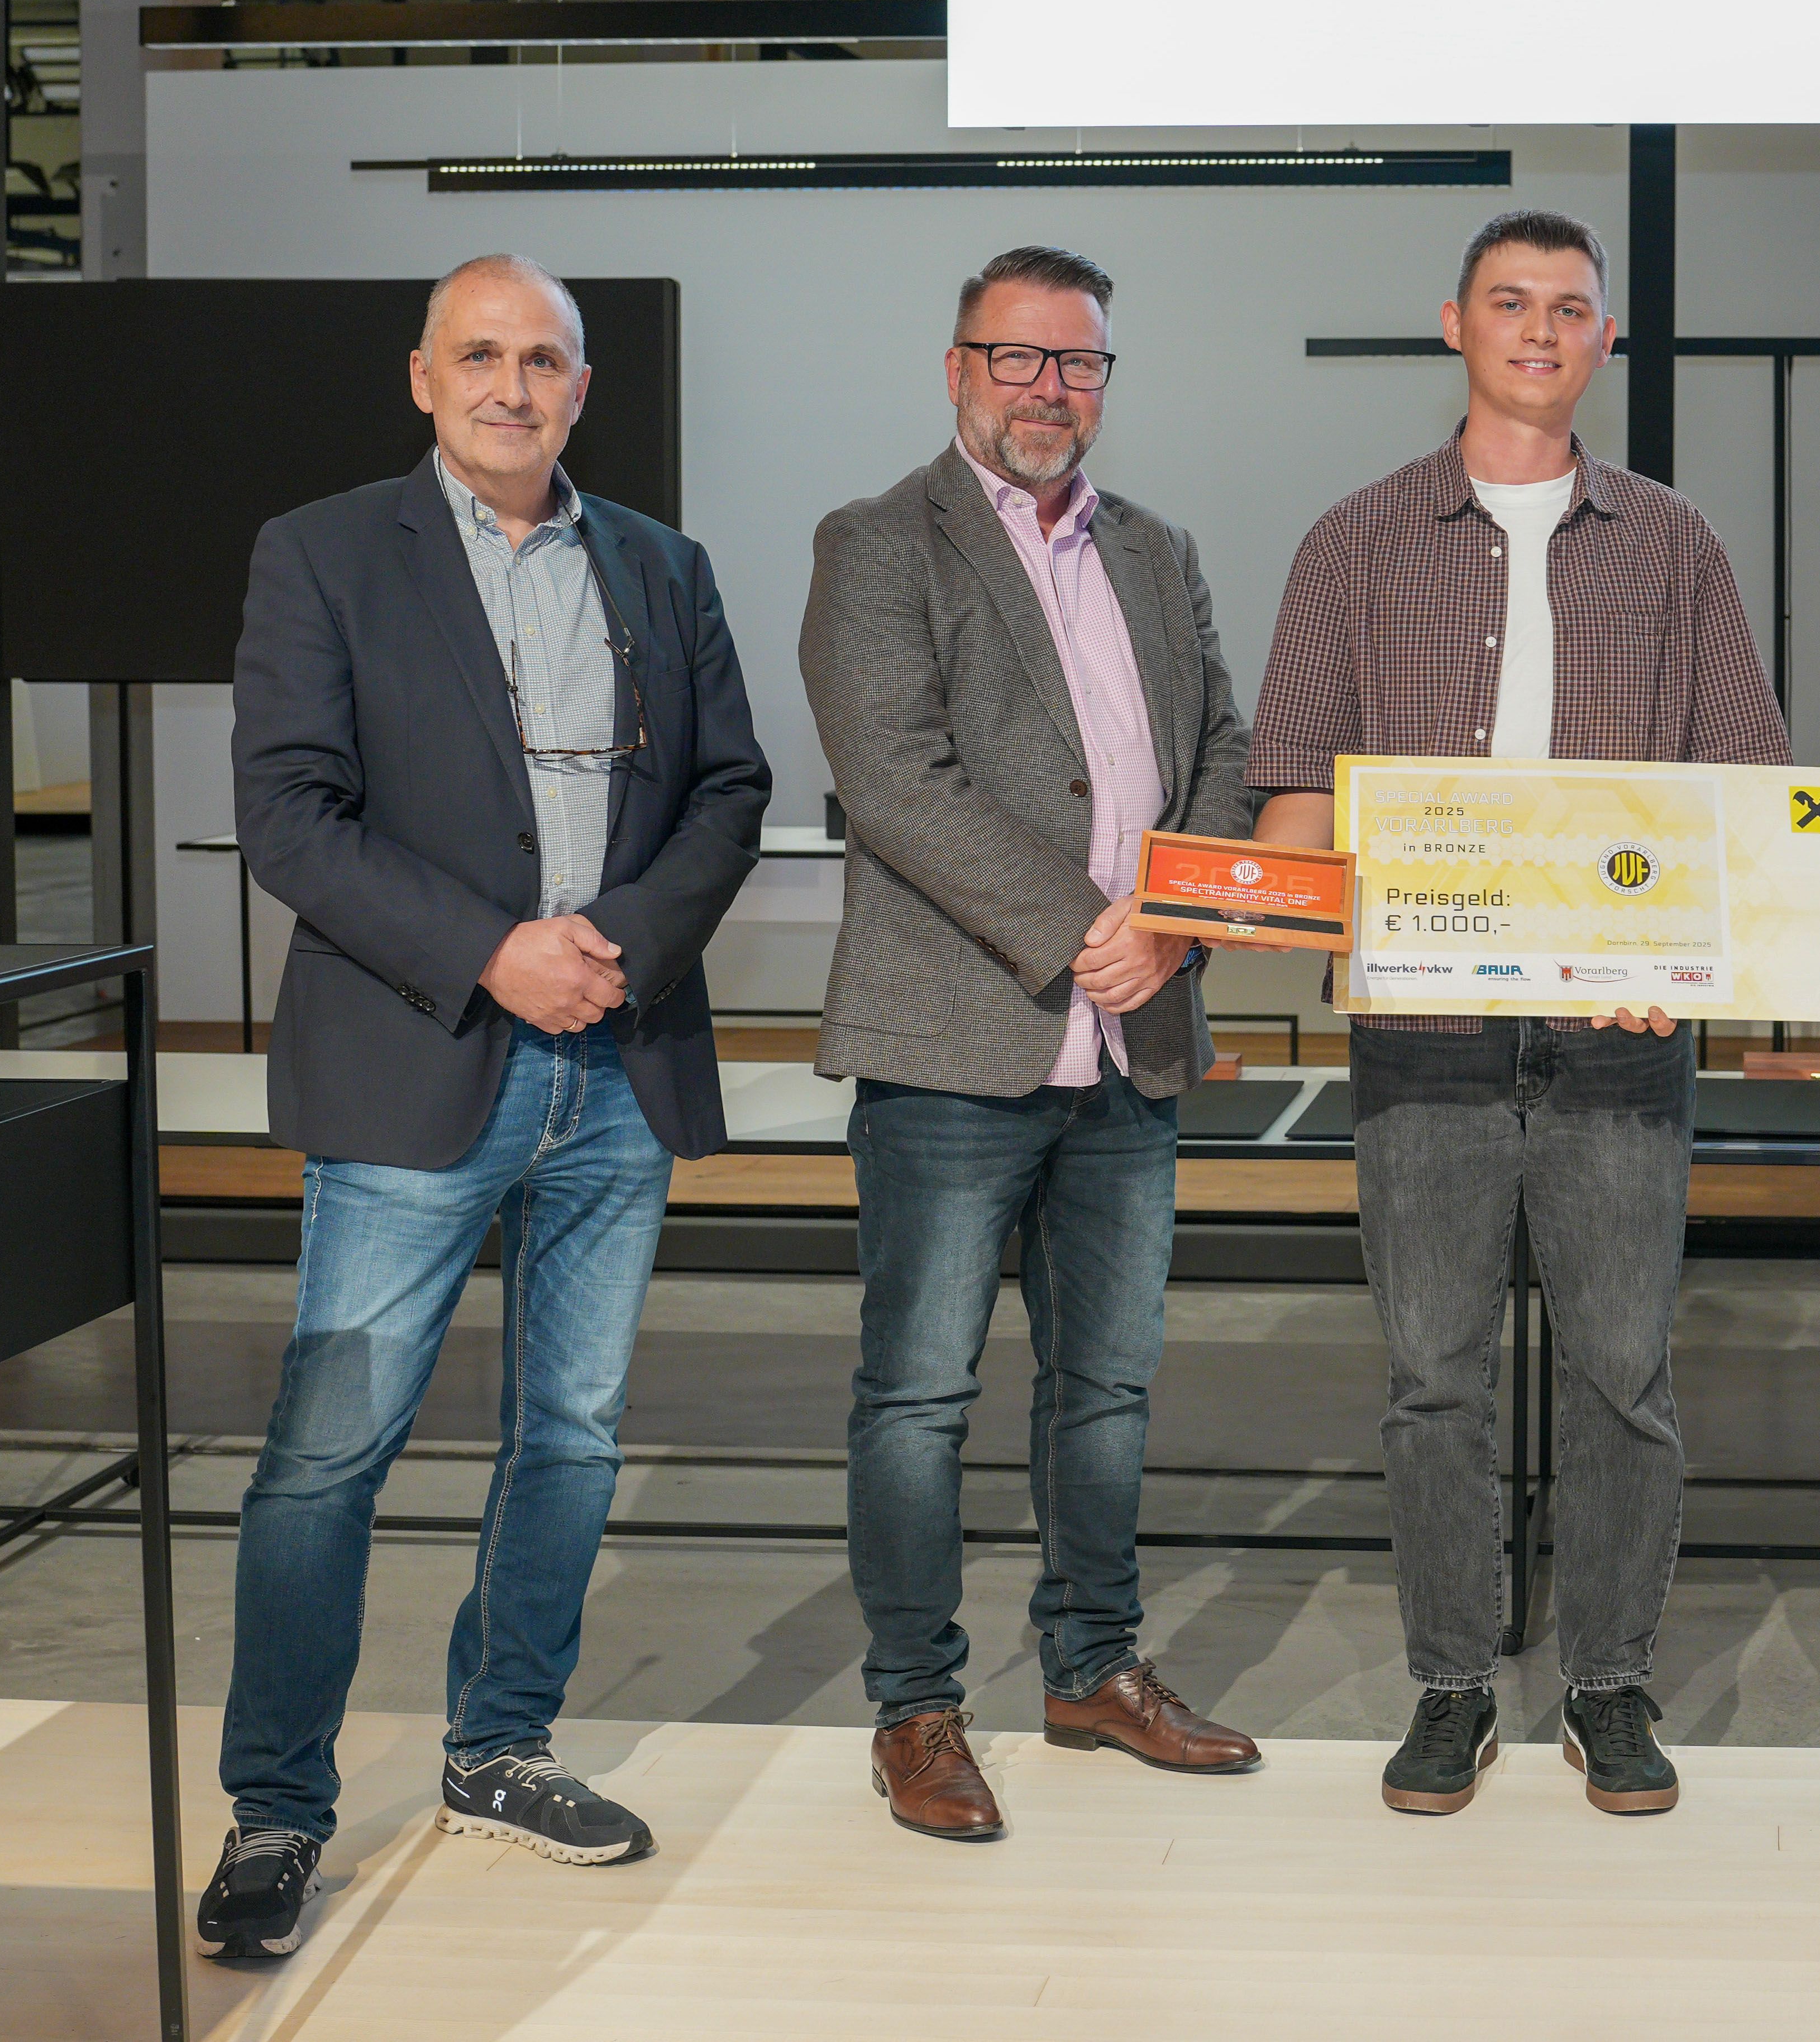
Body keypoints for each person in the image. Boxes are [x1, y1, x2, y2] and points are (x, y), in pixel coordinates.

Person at [203, 254, 772, 1956]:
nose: (510, 386)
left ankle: (501, 1749)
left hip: (618, 1065)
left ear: (580, 388)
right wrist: (495, 954)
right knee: (326, 1459)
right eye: (479, 356)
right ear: (422, 377)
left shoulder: (661, 565)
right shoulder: (321, 553)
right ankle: (276, 1810)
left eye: (541, 360)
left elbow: (730, 789)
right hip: (413, 1062)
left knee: (572, 1439)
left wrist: (616, 949)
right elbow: (289, 814)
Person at [1246, 209, 1788, 1819]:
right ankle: (1451, 1685)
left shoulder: (1675, 545)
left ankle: (1608, 1685)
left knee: (1624, 1377)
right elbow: (1295, 789)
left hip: (1623, 1040)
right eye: (1510, 302)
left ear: (1605, 338)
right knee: (1433, 1379)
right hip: (1423, 1042)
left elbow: (1744, 789)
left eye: (1569, 308)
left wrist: (1684, 961)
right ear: (1455, 324)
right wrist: (1273, 909)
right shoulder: (1353, 543)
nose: (1540, 330)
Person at [801, 245, 1261, 1845]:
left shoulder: (1158, 551)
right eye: (1018, 357)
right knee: (918, 1397)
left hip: (1136, 1047)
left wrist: (1175, 927)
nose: (1047, 388)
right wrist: (1089, 930)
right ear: (958, 369)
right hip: (954, 1045)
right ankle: (915, 1708)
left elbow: (1223, 751)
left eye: (1077, 363)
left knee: (1107, 1391)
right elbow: (894, 779)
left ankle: (1091, 1669)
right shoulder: (877, 544)